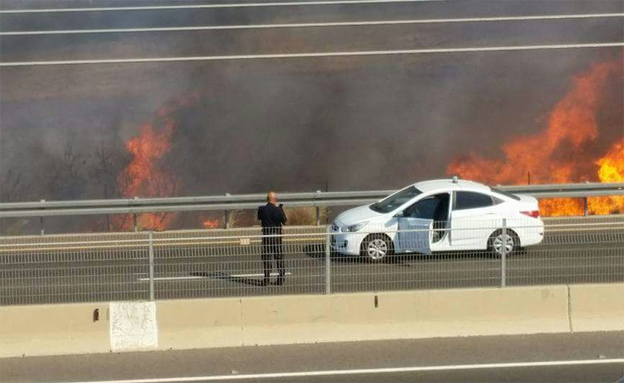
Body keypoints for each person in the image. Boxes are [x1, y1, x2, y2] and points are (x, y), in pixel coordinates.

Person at [257, 191, 287, 286]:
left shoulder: (261, 209)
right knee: (279, 257)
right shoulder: (278, 210)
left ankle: (266, 279)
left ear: (267, 199)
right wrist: (281, 209)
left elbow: (259, 218)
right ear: (275, 200)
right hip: (277, 236)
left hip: (267, 236)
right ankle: (281, 278)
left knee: (266, 257)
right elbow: (284, 221)